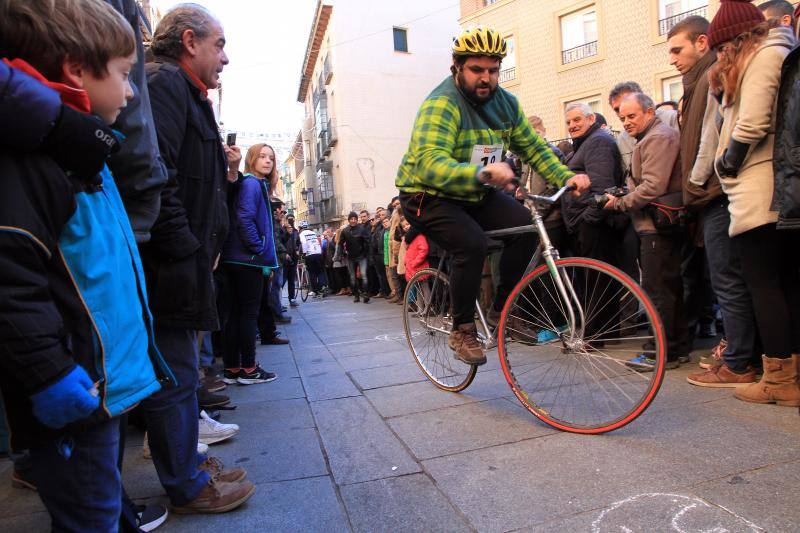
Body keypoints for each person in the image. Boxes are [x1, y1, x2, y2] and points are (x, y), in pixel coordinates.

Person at [0, 0, 175, 527]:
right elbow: (10, 278)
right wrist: (49, 373)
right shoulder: (39, 160)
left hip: (95, 387)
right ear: (77, 69)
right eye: (124, 75)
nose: (129, 92)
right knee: (88, 514)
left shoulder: (80, 151)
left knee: (99, 502)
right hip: (73, 389)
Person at [395, 26, 590, 365]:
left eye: (493, 70)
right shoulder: (442, 104)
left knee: (525, 227)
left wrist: (566, 176)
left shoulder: (506, 104)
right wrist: (481, 173)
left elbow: (533, 148)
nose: (486, 78)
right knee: (470, 243)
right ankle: (462, 328)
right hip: (426, 193)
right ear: (457, 67)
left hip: (474, 189)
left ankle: (502, 312)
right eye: (477, 70)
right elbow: (429, 163)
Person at [143, 3, 255, 512]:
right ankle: (186, 483)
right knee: (178, 371)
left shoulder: (183, 90)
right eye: (219, 45)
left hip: (185, 257)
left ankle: (187, 465)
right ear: (190, 41)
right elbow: (155, 172)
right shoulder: (166, 84)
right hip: (173, 260)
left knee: (184, 368)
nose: (225, 57)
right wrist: (186, 244)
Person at [704, 0, 799, 405]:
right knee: (781, 285)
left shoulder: (764, 55)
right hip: (766, 186)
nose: (722, 57)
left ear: (737, 39)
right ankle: (787, 374)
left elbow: (755, 120)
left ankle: (780, 378)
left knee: (765, 285)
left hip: (760, 187)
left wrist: (727, 163)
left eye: (723, 48)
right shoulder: (772, 53)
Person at [603, 92, 690, 370]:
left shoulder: (658, 137)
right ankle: (673, 348)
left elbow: (653, 186)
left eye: (632, 116)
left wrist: (620, 203)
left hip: (656, 226)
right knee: (666, 288)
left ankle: (660, 351)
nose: (626, 122)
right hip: (654, 224)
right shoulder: (651, 137)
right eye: (622, 117)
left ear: (649, 113)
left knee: (658, 290)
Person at [220, 143, 279, 385]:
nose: (268, 161)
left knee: (235, 314)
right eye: (262, 156)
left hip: (236, 258)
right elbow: (244, 218)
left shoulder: (251, 184)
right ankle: (249, 368)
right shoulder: (252, 184)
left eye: (271, 158)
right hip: (247, 260)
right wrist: (259, 247)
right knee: (247, 314)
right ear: (252, 159)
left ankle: (233, 368)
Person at [337, 211, 372, 303]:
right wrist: (340, 254)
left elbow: (368, 242)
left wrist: (368, 254)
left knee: (364, 275)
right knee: (352, 277)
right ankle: (356, 295)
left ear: (357, 220)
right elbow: (340, 243)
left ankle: (365, 294)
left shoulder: (362, 229)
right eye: (351, 219)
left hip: (362, 256)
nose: (353, 221)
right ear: (349, 220)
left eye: (355, 219)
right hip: (351, 257)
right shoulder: (345, 231)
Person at [299, 220, 327, 296]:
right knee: (320, 271)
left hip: (310, 254)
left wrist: (304, 253)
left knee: (312, 272)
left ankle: (315, 290)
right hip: (318, 253)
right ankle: (322, 286)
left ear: (300, 227)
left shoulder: (302, 234)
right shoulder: (313, 233)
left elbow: (304, 243)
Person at [283, 214, 301, 307]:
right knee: (282, 281)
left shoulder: (296, 231)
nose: (291, 221)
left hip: (293, 258)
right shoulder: (282, 230)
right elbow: (281, 242)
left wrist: (298, 249)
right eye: (289, 220)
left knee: (291, 280)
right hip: (285, 258)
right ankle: (278, 302)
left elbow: (298, 242)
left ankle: (292, 299)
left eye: (292, 220)